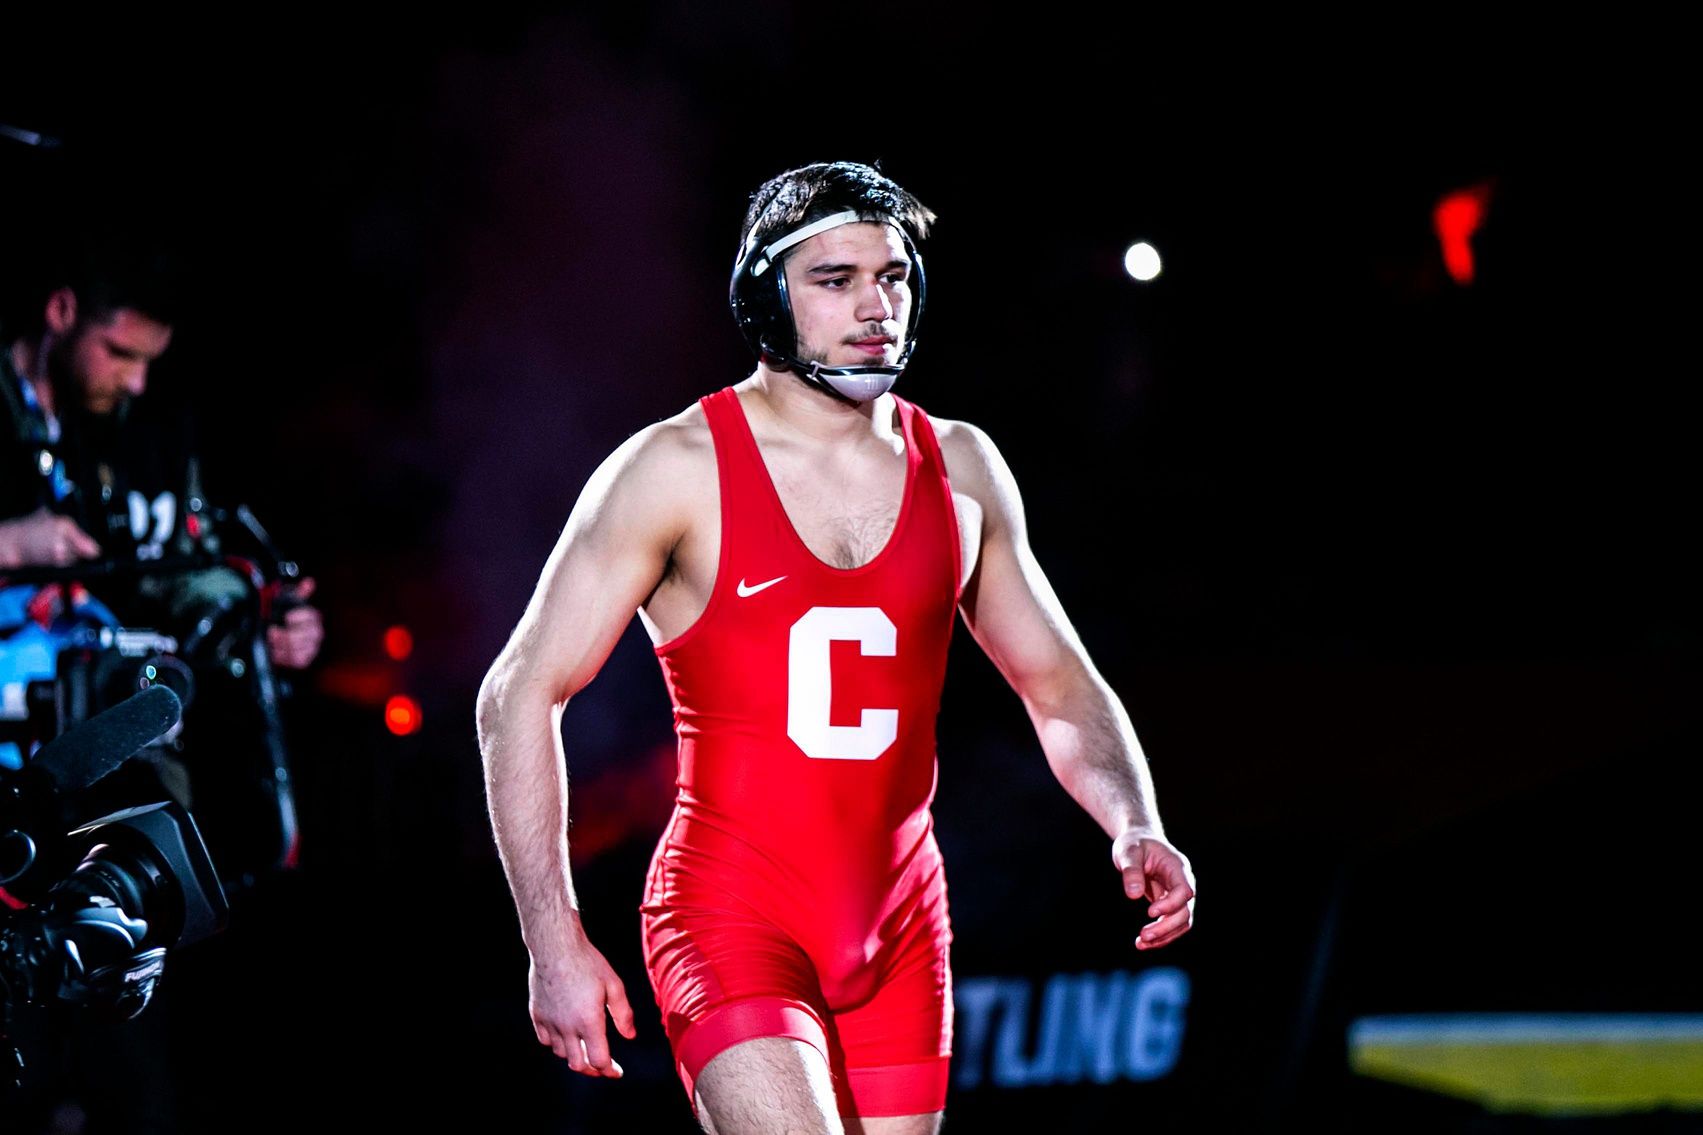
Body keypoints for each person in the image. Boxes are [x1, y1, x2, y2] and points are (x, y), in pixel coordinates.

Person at [477, 160, 1196, 1135]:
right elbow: (516, 694)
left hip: (902, 925)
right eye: (836, 279)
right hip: (730, 913)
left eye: (892, 277)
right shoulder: (675, 470)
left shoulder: (963, 467)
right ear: (765, 295)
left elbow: (1058, 685)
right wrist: (551, 937)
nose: (875, 305)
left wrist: (1132, 818)